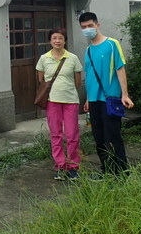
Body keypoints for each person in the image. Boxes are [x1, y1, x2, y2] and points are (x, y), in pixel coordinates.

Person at [79, 12, 134, 177]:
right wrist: (88, 98)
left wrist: (124, 94)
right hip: (94, 101)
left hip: (110, 99)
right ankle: (106, 170)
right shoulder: (88, 50)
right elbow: (89, 76)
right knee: (99, 138)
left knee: (113, 136)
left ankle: (122, 172)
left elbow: (120, 68)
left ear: (97, 25)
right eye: (83, 27)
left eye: (90, 25)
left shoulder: (112, 44)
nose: (87, 29)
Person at [36, 27, 83, 181]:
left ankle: (73, 166)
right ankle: (60, 166)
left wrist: (66, 89)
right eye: (54, 38)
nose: (57, 41)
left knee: (72, 135)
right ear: (50, 40)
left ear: (65, 40)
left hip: (70, 101)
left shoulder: (73, 58)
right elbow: (41, 80)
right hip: (52, 101)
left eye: (60, 38)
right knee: (56, 135)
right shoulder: (44, 58)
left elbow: (77, 81)